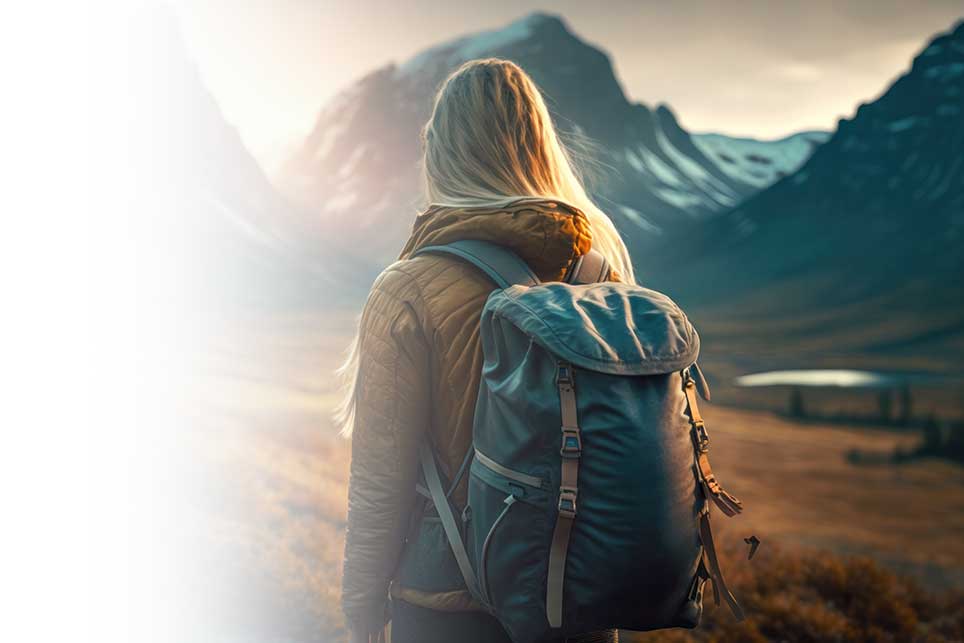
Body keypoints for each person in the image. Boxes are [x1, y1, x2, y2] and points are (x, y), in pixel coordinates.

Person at [337, 57, 636, 643]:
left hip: (447, 608)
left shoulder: (408, 287)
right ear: (539, 146)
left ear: (441, 154)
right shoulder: (601, 273)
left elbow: (381, 481)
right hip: (577, 605)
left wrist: (361, 610)